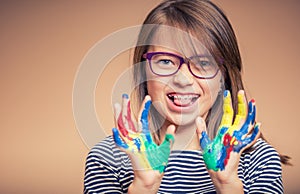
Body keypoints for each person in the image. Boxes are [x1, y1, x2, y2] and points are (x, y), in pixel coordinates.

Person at [84, 0, 290, 193]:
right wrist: (143, 188)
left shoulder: (259, 160)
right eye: (165, 61)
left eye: (203, 63)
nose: (183, 79)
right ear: (143, 71)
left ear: (223, 76)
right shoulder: (107, 158)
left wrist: (228, 186)